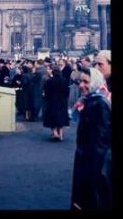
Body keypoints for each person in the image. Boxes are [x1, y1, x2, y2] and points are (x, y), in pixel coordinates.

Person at [71, 67, 111, 210]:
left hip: (92, 169)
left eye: (86, 82)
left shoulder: (99, 104)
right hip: (86, 163)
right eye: (80, 81)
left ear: (95, 82)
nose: (81, 85)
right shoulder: (90, 101)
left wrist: (88, 182)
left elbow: (100, 146)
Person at [43, 65, 70, 141]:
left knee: (52, 119)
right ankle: (60, 134)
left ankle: (55, 133)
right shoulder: (64, 81)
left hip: (52, 102)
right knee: (60, 119)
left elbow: (46, 93)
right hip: (62, 102)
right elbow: (67, 92)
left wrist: (46, 99)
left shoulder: (49, 81)